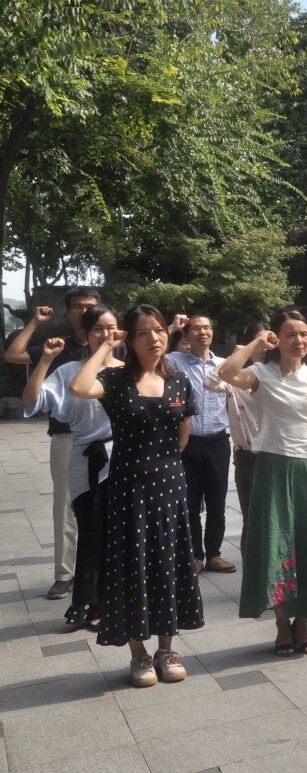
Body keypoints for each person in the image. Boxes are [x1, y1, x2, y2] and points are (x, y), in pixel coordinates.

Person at [69, 304, 204, 687]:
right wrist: (105, 345)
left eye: (159, 330)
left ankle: (166, 649)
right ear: (129, 339)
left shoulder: (179, 381)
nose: (154, 338)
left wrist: (167, 468)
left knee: (168, 564)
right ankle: (138, 653)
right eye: (143, 333)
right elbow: (79, 387)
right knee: (132, 566)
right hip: (129, 489)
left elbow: (182, 432)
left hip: (170, 486)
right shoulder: (114, 379)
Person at [217, 308, 307, 656]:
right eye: (290, 334)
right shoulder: (261, 373)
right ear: (276, 339)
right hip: (272, 466)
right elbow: (225, 372)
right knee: (276, 545)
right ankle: (282, 624)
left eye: (304, 334)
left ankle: (303, 622)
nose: (299, 340)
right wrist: (257, 341)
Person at [22, 304, 123, 631]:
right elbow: (31, 401)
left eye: (111, 328)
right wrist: (46, 360)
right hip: (85, 460)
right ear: (85, 333)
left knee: (120, 534)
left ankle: (115, 600)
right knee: (92, 532)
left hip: (125, 459)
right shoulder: (69, 372)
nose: (105, 335)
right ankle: (87, 603)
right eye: (98, 329)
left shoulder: (128, 370)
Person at [4, 286, 102, 599]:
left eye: (90, 305)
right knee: (66, 505)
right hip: (66, 436)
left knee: (111, 501)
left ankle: (108, 568)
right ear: (68, 312)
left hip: (108, 436)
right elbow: (13, 355)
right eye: (77, 306)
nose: (84, 311)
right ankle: (64, 573)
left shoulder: (114, 347)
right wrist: (34, 322)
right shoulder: (59, 346)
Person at [167, 314, 235, 574]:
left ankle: (214, 554)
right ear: (186, 334)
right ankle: (195, 555)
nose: (202, 332)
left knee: (218, 502)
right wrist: (171, 328)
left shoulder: (224, 365)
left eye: (207, 327)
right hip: (188, 443)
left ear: (212, 332)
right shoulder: (175, 361)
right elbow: (152, 354)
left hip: (218, 442)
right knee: (190, 503)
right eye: (196, 328)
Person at [206, 322, 266, 525]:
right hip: (246, 456)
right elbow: (210, 382)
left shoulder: (277, 376)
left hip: (273, 455)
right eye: (257, 343)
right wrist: (235, 355)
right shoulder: (236, 380)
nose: (263, 349)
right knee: (250, 519)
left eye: (266, 343)